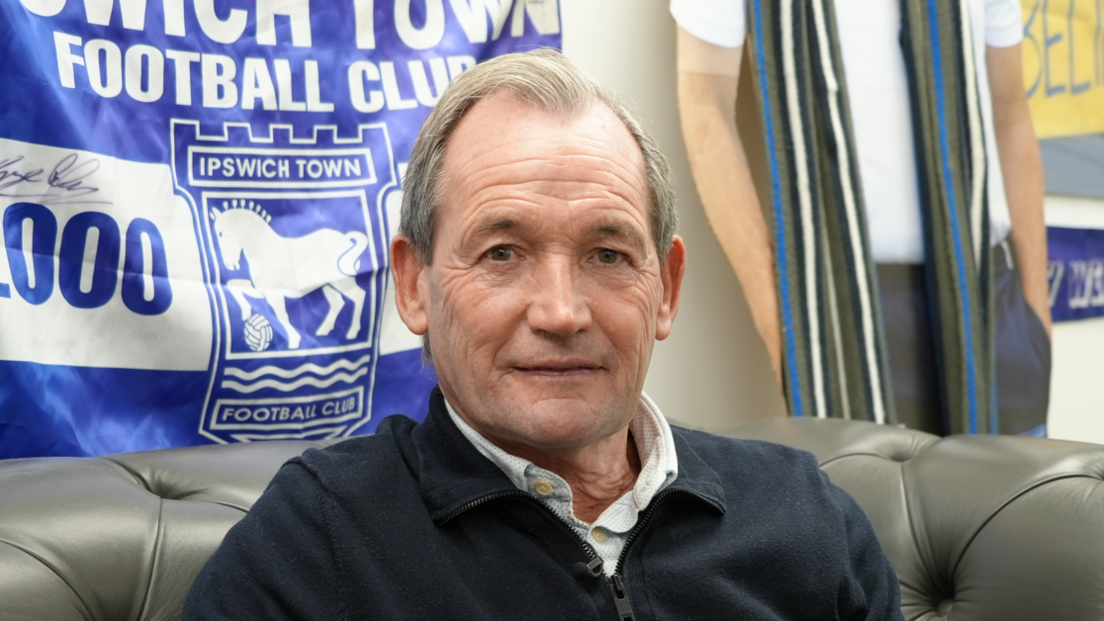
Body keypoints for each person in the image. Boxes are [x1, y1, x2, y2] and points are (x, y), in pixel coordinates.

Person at [182, 49, 903, 620]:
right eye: (502, 252)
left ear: (667, 288)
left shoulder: (808, 517)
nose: (562, 312)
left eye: (608, 254)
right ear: (414, 284)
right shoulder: (315, 543)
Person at [673, 0, 1050, 436]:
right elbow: (706, 105)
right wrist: (787, 334)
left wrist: (1037, 317)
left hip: (989, 305)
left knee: (1006, 500)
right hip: (843, 315)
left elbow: (1010, 108)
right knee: (860, 501)